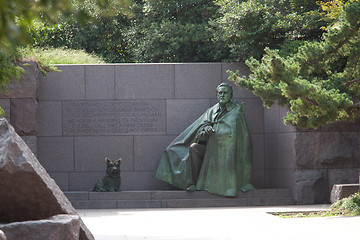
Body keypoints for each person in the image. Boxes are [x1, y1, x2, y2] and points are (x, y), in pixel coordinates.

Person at [153, 83, 255, 197]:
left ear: (231, 95)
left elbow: (236, 136)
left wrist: (217, 134)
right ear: (216, 94)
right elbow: (199, 129)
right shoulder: (212, 111)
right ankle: (191, 183)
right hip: (208, 149)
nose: (222, 95)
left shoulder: (236, 111)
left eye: (225, 93)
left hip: (224, 152)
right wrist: (204, 131)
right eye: (220, 93)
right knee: (189, 148)